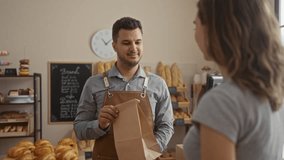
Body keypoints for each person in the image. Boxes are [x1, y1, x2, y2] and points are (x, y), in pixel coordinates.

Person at [183, 0, 284, 160]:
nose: (195, 22)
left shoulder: (223, 101)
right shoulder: (273, 90)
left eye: (200, 16)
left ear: (218, 28)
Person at [74, 17, 174, 160]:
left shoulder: (158, 84)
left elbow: (166, 126)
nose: (133, 48)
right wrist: (100, 125)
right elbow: (79, 129)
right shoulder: (93, 83)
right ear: (114, 46)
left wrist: (150, 150)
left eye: (138, 42)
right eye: (126, 43)